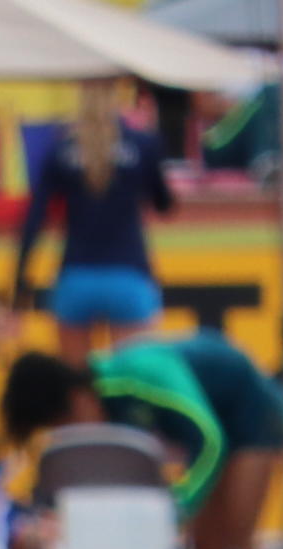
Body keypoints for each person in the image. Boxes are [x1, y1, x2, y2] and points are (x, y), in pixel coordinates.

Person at [0, 335, 283, 549]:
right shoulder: (106, 406)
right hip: (215, 429)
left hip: (253, 420)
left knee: (232, 541)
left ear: (76, 398)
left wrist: (179, 507)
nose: (72, 433)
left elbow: (209, 440)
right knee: (202, 548)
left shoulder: (140, 376)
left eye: (65, 424)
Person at [13, 84, 174, 364]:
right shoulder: (144, 144)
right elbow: (164, 204)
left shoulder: (61, 149)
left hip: (76, 275)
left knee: (77, 383)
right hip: (129, 272)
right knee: (135, 379)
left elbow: (34, 219)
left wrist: (20, 283)